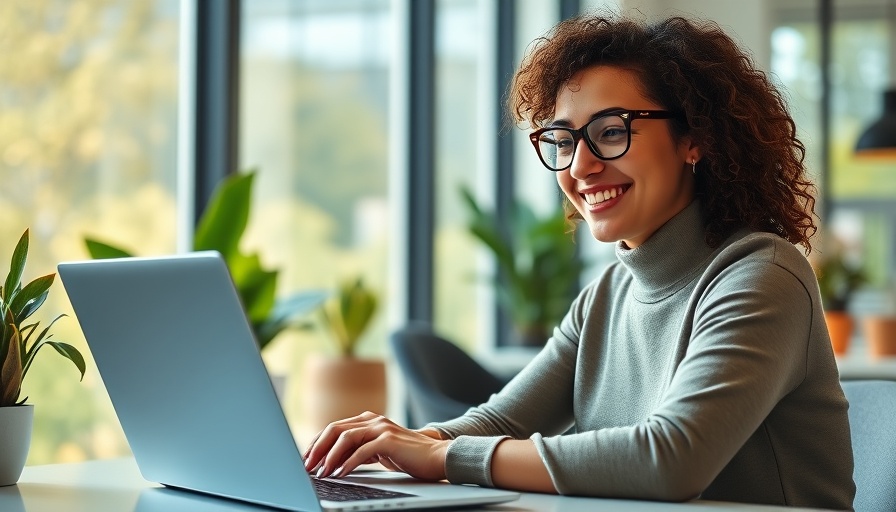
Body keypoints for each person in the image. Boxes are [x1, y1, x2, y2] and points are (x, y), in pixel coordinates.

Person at [303, 12, 855, 509]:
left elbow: (671, 460)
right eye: (563, 141)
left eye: (611, 132)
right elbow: (500, 421)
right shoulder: (607, 295)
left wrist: (443, 457)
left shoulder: (762, 275)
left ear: (695, 139)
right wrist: (397, 443)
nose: (581, 166)